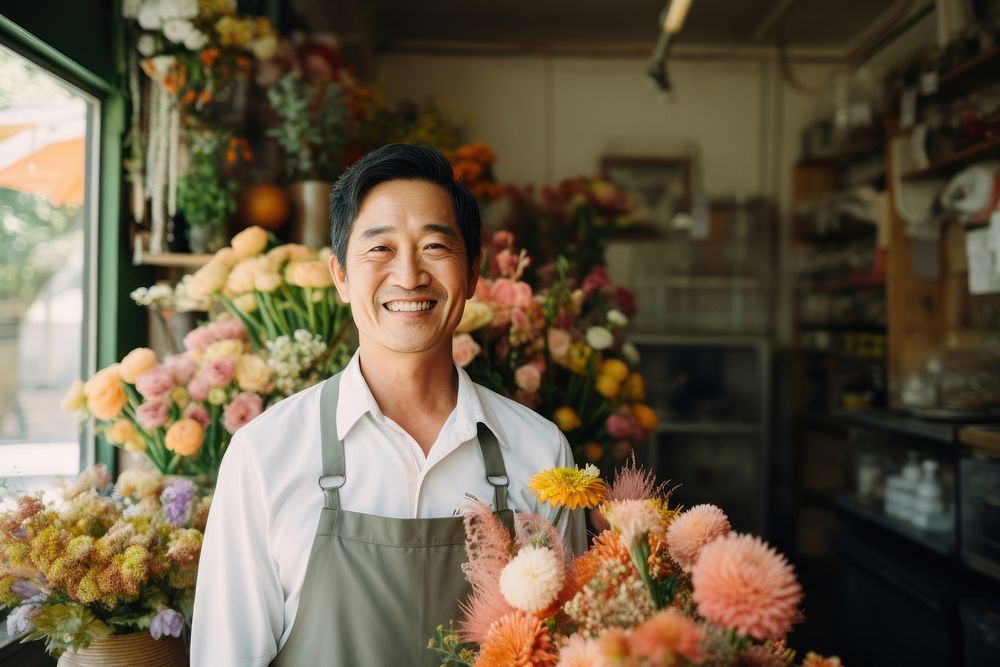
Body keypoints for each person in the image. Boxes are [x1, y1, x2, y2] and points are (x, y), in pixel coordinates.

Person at [190, 143, 586, 666]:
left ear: (471, 275)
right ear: (340, 276)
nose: (409, 275)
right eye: (379, 249)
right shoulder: (265, 453)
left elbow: (572, 650)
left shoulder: (538, 451)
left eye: (435, 247)